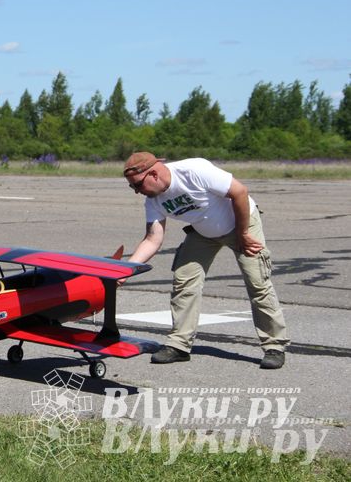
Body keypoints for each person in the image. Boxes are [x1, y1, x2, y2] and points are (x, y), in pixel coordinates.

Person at [121, 151, 289, 369]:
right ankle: (179, 345)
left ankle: (274, 345)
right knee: (184, 280)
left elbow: (239, 192)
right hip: (203, 232)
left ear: (153, 174)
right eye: (132, 187)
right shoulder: (153, 201)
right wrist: (125, 270)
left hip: (241, 223)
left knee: (257, 283)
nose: (137, 192)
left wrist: (244, 233)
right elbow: (153, 239)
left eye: (137, 185)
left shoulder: (194, 171)